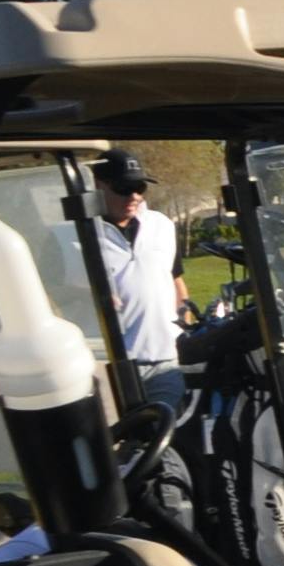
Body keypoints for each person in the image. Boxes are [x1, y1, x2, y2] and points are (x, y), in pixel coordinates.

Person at [85, 158, 187, 418]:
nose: (134, 196)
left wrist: (183, 324)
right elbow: (51, 296)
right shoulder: (72, 234)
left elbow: (175, 280)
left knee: (165, 442)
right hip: (107, 367)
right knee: (117, 449)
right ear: (98, 185)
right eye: (123, 188)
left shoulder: (160, 225)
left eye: (140, 188)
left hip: (164, 361)